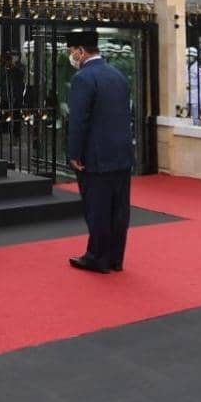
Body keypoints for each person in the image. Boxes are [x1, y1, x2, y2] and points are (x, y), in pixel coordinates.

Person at [65, 29, 133, 273]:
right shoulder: (118, 75)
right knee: (119, 209)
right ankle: (115, 257)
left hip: (96, 155)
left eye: (72, 51)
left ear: (81, 51)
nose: (71, 56)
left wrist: (74, 154)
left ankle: (97, 257)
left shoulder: (83, 78)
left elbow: (79, 121)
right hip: (122, 152)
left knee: (97, 208)